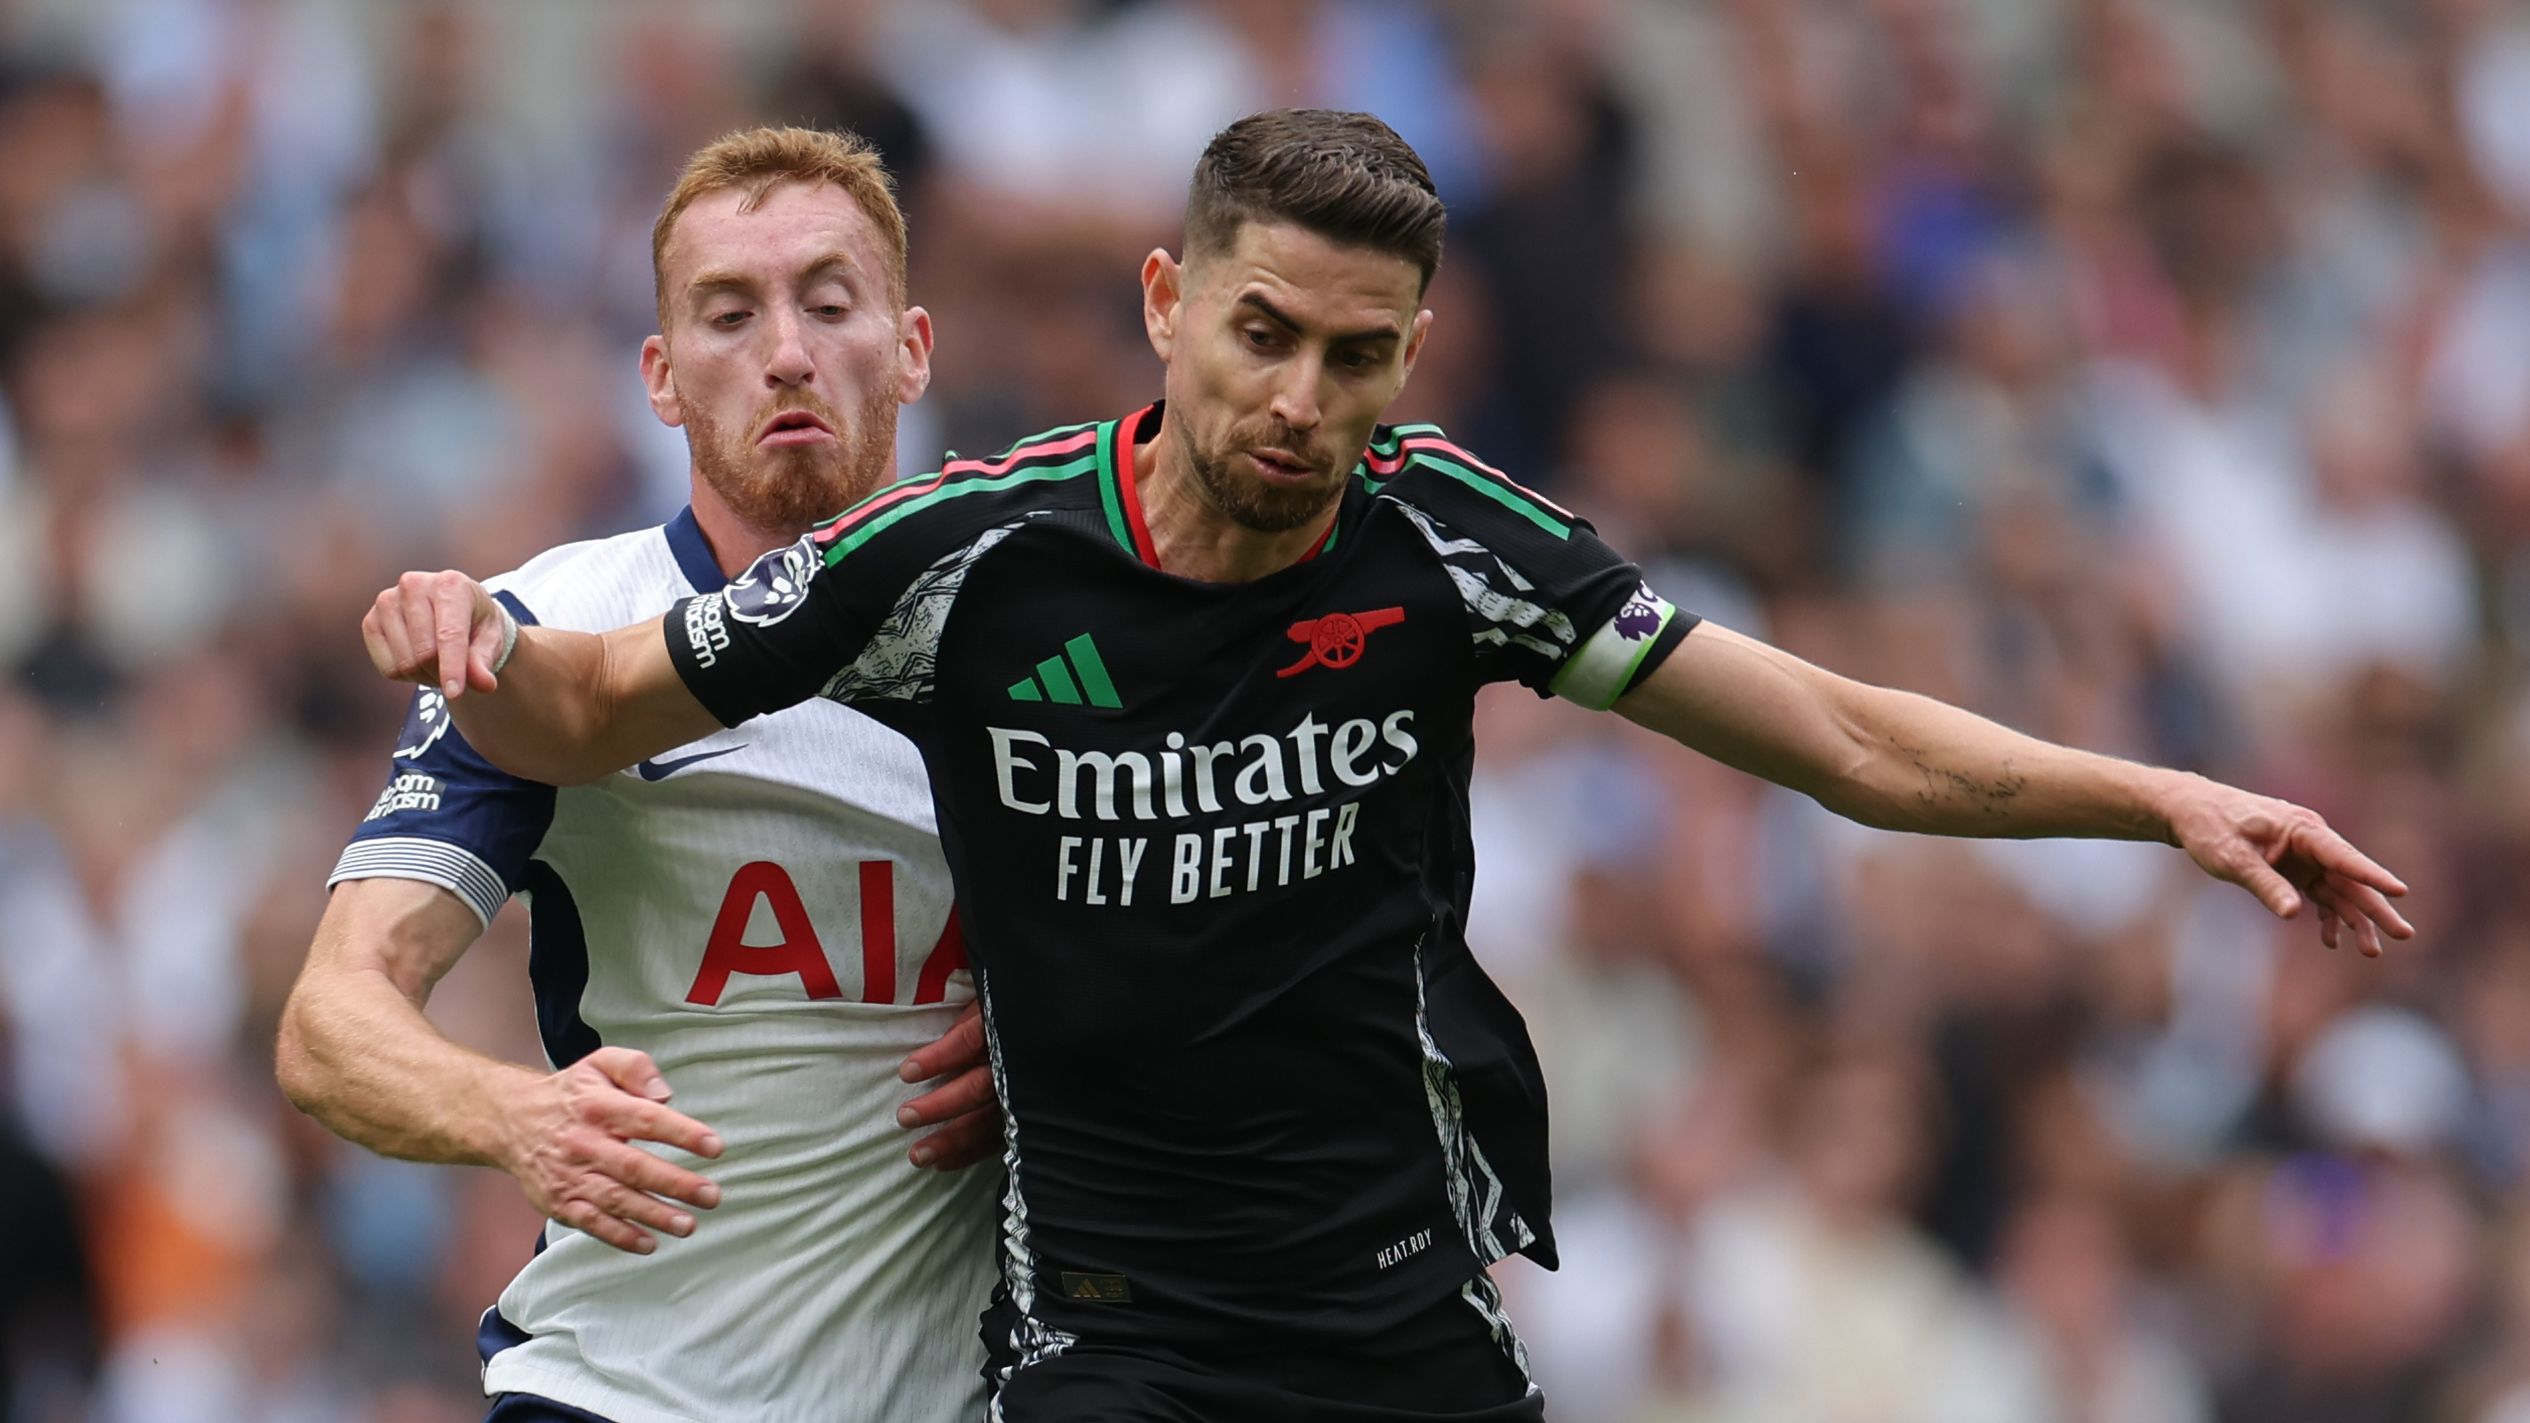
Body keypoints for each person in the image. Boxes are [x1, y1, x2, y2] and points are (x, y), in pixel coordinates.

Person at [360, 110, 2415, 1422]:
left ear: (1409, 357)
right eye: (1261, 334)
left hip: (1397, 1314)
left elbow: (1845, 738)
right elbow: (597, 702)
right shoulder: (970, 563)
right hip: (1103, 1340)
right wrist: (470, 635)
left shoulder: (1443, 538)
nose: (1297, 398)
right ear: (1165, 305)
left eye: (1355, 356)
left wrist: (2154, 797)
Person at [278, 126, 1005, 1423]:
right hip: (618, 1398)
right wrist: (513, 1116)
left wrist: (1059, 1047)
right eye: (729, 314)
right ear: (661, 380)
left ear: (911, 348)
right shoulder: (549, 633)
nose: (785, 351)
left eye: (828, 303)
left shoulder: (1044, 635)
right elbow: (331, 1021)